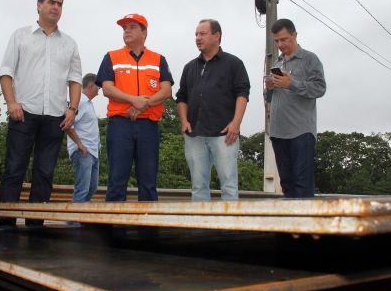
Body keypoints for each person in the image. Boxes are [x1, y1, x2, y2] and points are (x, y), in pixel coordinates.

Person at [0, 0, 82, 227]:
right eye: (51, 2)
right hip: (23, 114)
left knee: (44, 173)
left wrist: (72, 109)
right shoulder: (21, 35)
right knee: (14, 169)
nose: (56, 7)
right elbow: (6, 72)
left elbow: (75, 79)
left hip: (55, 116)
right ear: (39, 5)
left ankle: (35, 226)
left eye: (60, 4)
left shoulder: (69, 44)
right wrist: (11, 102)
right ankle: (6, 225)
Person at [96, 14, 173, 202]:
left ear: (144, 32)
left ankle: (147, 229)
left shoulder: (158, 59)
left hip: (148, 127)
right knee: (116, 180)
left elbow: (166, 91)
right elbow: (107, 88)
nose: (126, 31)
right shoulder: (112, 57)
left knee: (148, 182)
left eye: (131, 27)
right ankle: (113, 229)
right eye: (124, 28)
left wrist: (144, 103)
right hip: (120, 126)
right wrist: (133, 100)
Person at [176, 19, 250, 201]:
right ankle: (201, 229)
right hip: (195, 134)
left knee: (229, 185)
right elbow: (181, 97)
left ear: (217, 36)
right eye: (196, 34)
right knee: (198, 186)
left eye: (202, 34)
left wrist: (236, 123)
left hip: (224, 134)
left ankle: (229, 229)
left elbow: (243, 93)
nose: (197, 38)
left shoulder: (234, 64)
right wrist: (184, 121)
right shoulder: (189, 67)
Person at [265, 18, 326, 198]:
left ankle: (306, 224)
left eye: (284, 39)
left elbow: (320, 88)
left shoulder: (310, 59)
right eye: (277, 41)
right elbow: (270, 97)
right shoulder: (276, 64)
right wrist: (269, 88)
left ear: (294, 35)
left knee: (302, 183)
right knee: (287, 184)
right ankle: (291, 224)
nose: (280, 44)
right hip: (278, 131)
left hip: (301, 131)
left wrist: (291, 83)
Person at [65, 73, 100, 202]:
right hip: (83, 151)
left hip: (92, 151)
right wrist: (79, 144)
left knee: (92, 187)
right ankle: (74, 220)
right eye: (98, 87)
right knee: (83, 188)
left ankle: (75, 218)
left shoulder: (88, 104)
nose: (99, 90)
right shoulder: (80, 102)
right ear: (91, 85)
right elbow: (68, 125)